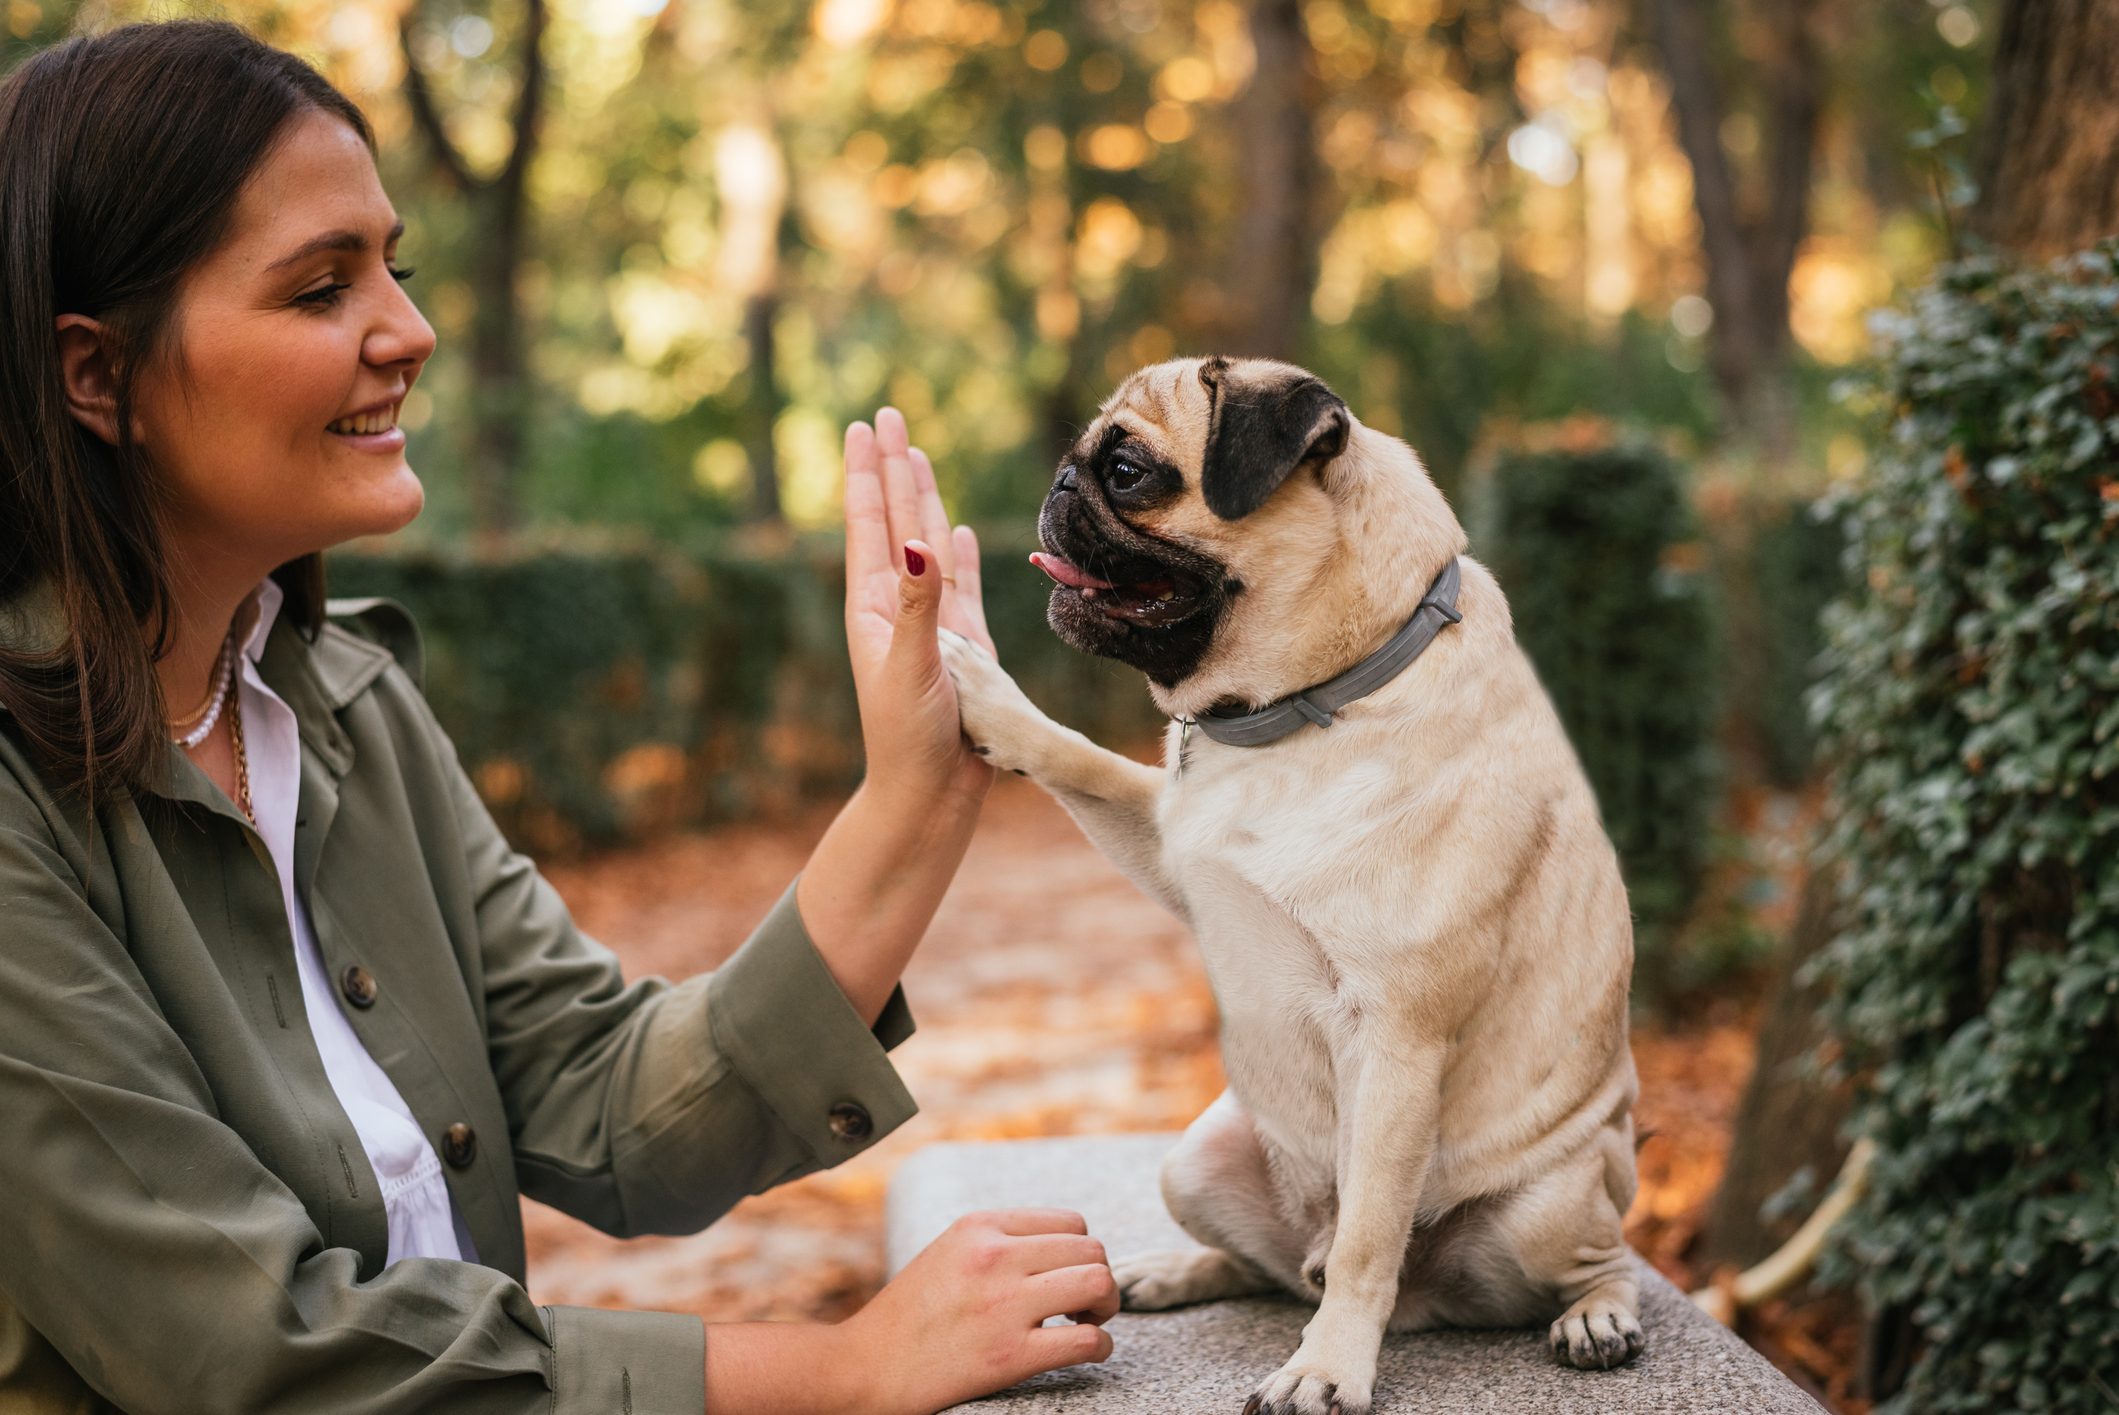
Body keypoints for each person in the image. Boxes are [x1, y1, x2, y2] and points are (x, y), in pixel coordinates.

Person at [0, 20, 1118, 1414]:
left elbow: (610, 1102)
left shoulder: (352, 712)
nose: (407, 331)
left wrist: (917, 790)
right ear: (95, 377)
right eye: (317, 290)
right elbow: (246, 1350)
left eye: (391, 270)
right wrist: (838, 1368)